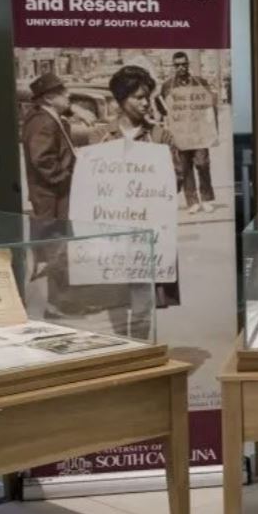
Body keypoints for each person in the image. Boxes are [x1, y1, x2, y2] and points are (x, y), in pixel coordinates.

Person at [103, 64, 183, 324]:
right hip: (111, 230)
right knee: (112, 300)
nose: (146, 103)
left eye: (147, 96)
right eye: (138, 97)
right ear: (121, 99)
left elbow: (177, 181)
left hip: (147, 231)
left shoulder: (160, 137)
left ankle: (141, 350)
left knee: (141, 298)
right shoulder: (102, 138)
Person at [22, 72, 77, 313]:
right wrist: (66, 177)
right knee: (56, 249)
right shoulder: (43, 122)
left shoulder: (49, 117)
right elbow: (42, 160)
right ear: (49, 98)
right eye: (63, 92)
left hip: (53, 196)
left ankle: (57, 302)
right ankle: (56, 305)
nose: (68, 95)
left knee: (57, 247)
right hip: (51, 198)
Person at [160, 52, 218, 215]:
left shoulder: (200, 83)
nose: (181, 68)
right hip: (180, 134)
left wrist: (214, 131)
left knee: (202, 164)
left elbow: (210, 107)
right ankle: (192, 201)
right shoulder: (167, 86)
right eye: (177, 65)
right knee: (185, 168)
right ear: (173, 67)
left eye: (184, 64)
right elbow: (162, 109)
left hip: (199, 133)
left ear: (188, 64)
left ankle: (206, 199)